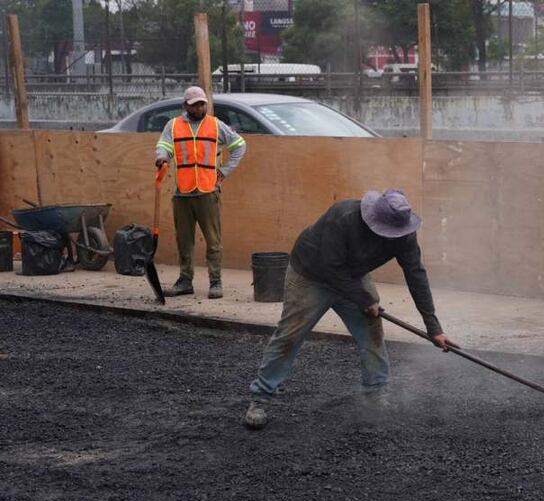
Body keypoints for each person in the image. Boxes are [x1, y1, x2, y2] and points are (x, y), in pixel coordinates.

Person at [244, 189, 454, 427]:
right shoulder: (342, 217)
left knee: (372, 330)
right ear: (374, 221)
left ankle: (376, 391)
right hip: (311, 275)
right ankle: (261, 396)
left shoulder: (404, 233)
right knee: (289, 335)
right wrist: (364, 300)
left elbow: (416, 275)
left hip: (353, 276)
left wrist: (433, 327)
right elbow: (331, 268)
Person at [154, 86, 247, 299]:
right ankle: (185, 281)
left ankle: (216, 282)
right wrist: (161, 157)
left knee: (213, 240)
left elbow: (240, 145)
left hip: (208, 191)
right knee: (184, 240)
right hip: (183, 192)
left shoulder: (216, 125)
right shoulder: (173, 125)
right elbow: (164, 146)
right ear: (186, 106)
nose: (200, 107)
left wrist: (223, 172)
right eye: (195, 104)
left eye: (202, 103)